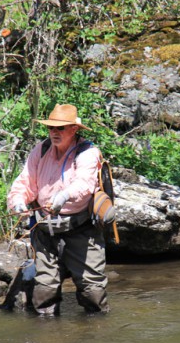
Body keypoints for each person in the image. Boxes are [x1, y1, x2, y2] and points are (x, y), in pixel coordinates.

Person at [7, 104, 109, 315]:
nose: (54, 132)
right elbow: (25, 182)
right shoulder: (41, 149)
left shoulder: (88, 153)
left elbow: (84, 185)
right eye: (51, 128)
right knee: (44, 291)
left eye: (60, 128)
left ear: (74, 129)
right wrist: (18, 202)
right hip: (45, 232)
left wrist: (63, 196)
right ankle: (48, 340)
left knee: (93, 291)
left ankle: (96, 334)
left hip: (81, 230)